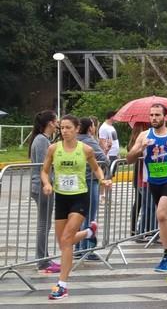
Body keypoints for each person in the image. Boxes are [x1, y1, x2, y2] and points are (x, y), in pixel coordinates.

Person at [40, 115, 111, 300]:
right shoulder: (53, 149)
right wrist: (47, 184)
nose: (64, 131)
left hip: (80, 197)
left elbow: (96, 168)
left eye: (68, 128)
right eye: (62, 128)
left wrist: (102, 179)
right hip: (61, 198)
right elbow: (45, 171)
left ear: (76, 129)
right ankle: (88, 233)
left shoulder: (85, 149)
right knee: (64, 242)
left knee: (66, 239)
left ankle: (62, 285)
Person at [126, 104, 167, 272]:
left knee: (161, 215)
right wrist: (140, 149)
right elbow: (129, 159)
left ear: (165, 116)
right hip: (153, 182)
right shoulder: (144, 135)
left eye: (157, 115)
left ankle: (166, 256)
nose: (154, 118)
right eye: (151, 115)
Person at [29, 110, 61, 273]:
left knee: (45, 224)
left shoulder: (43, 139)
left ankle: (44, 257)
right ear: (50, 123)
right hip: (43, 186)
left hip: (43, 185)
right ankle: (42, 261)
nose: (58, 123)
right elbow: (44, 166)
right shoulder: (41, 140)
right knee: (44, 224)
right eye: (56, 120)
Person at [75, 118, 109, 260]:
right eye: (94, 125)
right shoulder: (89, 141)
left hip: (76, 182)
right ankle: (87, 249)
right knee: (89, 216)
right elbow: (104, 159)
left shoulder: (73, 140)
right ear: (90, 128)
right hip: (89, 180)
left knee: (77, 216)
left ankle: (77, 247)